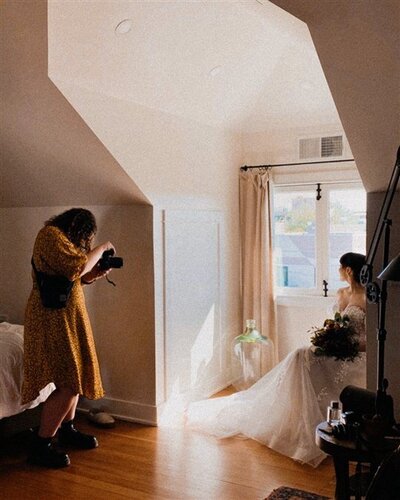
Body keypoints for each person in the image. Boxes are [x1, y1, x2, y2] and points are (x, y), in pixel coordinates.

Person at [186, 252, 367, 467]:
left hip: (355, 354)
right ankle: (299, 419)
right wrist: (330, 338)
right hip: (336, 349)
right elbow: (334, 324)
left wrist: (348, 345)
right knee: (302, 355)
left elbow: (368, 338)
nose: (338, 270)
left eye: (340, 267)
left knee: (303, 355)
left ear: (348, 270)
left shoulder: (367, 298)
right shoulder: (341, 293)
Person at [22, 208, 115, 468]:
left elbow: (74, 276)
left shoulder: (63, 242)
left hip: (69, 317)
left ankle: (67, 429)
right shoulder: (50, 235)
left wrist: (94, 275)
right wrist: (103, 247)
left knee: (74, 376)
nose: (86, 242)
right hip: (52, 319)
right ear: (77, 226)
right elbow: (77, 266)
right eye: (86, 236)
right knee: (69, 382)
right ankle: (41, 446)